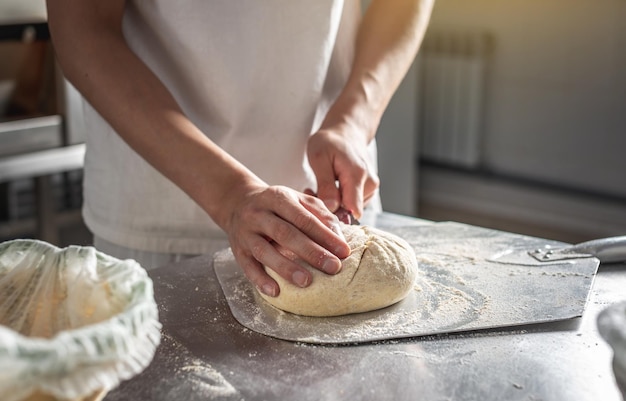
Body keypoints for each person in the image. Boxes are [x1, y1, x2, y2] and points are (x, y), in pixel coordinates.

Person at [46, 0, 434, 297]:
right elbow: (82, 30)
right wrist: (230, 194)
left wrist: (354, 118)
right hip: (163, 218)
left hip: (334, 214)